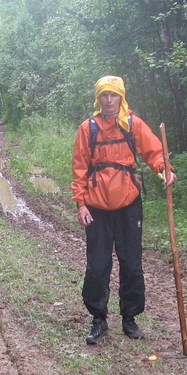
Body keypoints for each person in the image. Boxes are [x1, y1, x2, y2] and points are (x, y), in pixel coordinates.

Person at [71, 76, 176, 345]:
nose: (109, 100)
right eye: (104, 95)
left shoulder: (133, 124)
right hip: (96, 205)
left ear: (121, 97)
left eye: (113, 95)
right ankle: (98, 319)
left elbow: (155, 152)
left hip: (129, 203)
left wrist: (164, 168)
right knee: (98, 265)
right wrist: (81, 203)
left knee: (131, 263)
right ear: (98, 98)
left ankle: (130, 318)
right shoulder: (88, 128)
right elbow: (79, 168)